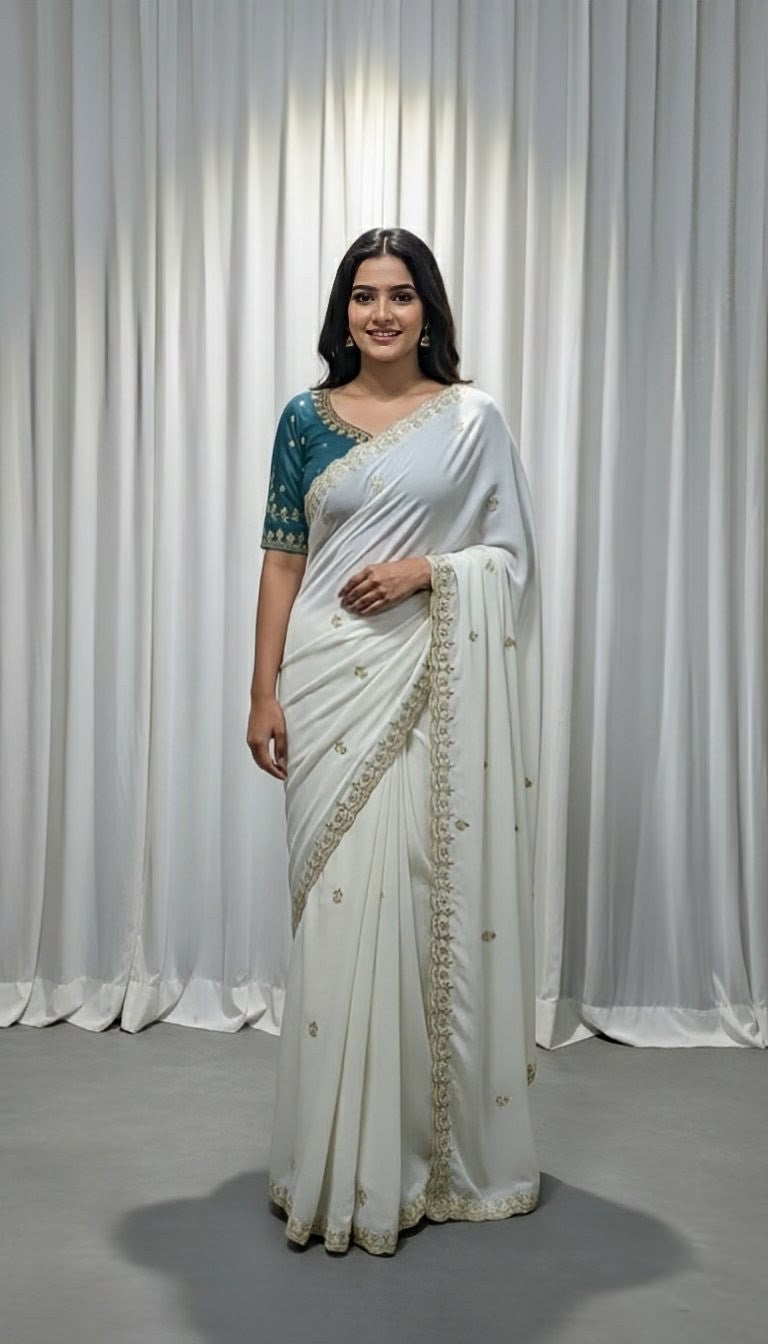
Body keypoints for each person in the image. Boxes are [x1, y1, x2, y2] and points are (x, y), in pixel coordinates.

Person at [247, 227, 542, 1256]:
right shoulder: (305, 419)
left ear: (429, 311)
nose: (381, 313)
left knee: (413, 897)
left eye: (401, 295)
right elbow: (284, 560)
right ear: (344, 311)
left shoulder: (470, 419)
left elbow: (510, 556)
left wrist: (429, 572)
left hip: (423, 681)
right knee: (334, 912)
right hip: (327, 681)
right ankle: (330, 1157)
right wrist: (261, 690)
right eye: (364, 295)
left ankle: (410, 1154)